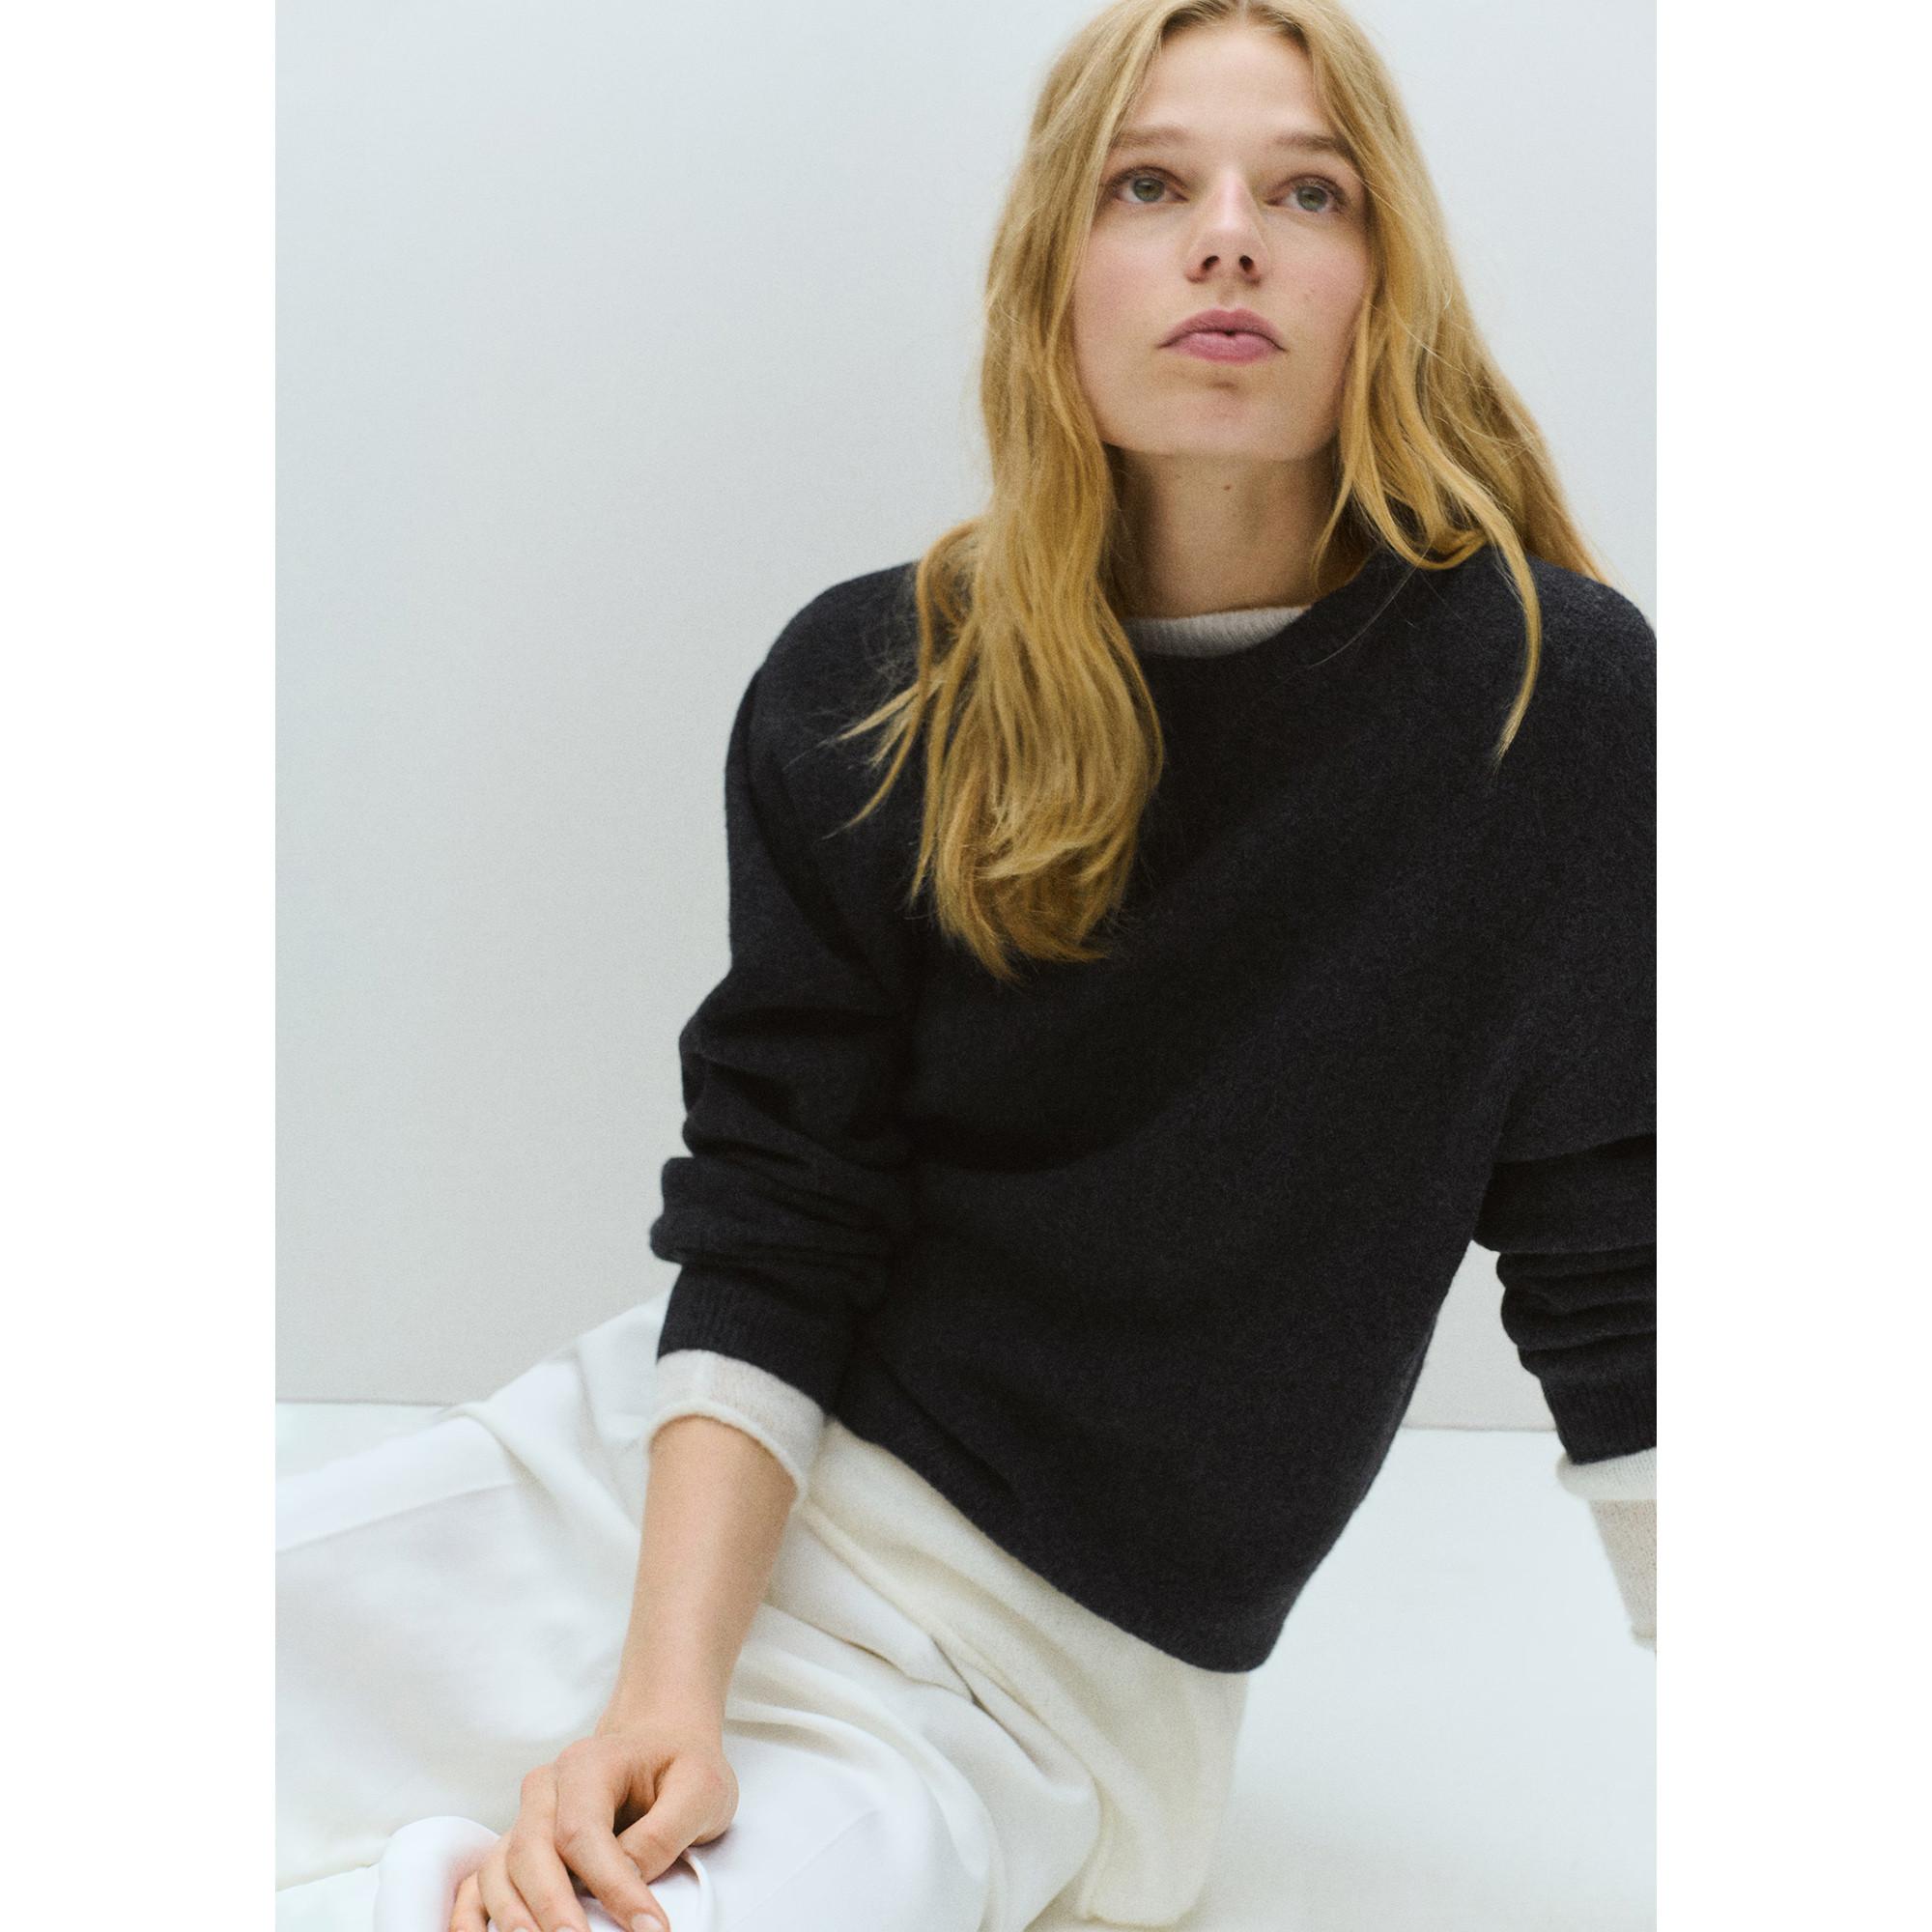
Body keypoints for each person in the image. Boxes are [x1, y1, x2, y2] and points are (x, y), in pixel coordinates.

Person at [275, 3, 1655, 1929]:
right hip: (667, 1501)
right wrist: (663, 1692)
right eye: (1149, 185)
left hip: (1037, 1685)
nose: (1228, 236)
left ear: (1385, 283)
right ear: (1051, 273)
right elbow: (781, 1203)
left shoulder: (1542, 698)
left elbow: (1616, 1249)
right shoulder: (874, 682)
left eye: (1307, 193)